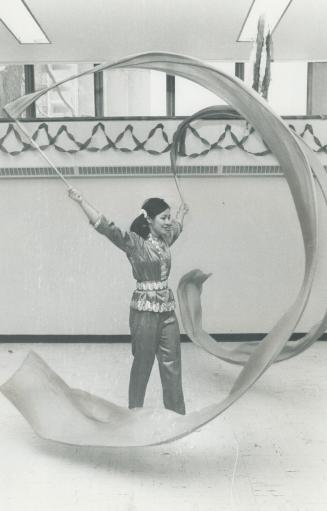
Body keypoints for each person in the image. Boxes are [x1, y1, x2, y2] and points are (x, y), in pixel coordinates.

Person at [68, 188, 189, 415]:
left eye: (169, 216)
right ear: (149, 220)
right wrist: (82, 201)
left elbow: (178, 229)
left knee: (172, 363)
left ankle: (176, 416)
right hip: (144, 310)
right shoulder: (134, 243)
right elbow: (107, 228)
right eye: (164, 217)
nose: (168, 222)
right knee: (143, 363)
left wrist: (181, 213)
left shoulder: (165, 239)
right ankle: (134, 414)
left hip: (167, 309)